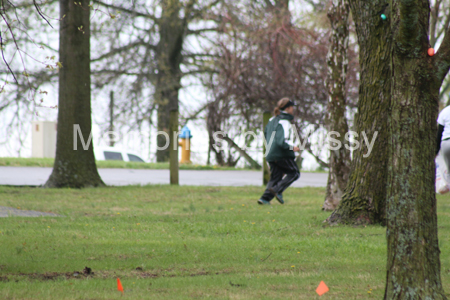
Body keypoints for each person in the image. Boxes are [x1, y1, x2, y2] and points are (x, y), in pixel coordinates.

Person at [258, 98, 301, 205]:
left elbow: (265, 135)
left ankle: (265, 199)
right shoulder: (284, 122)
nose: (293, 110)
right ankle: (277, 190)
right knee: (294, 173)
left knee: (275, 177)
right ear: (288, 108)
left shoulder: (272, 120)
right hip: (282, 154)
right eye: (292, 108)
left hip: (270, 153)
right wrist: (292, 147)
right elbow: (282, 141)